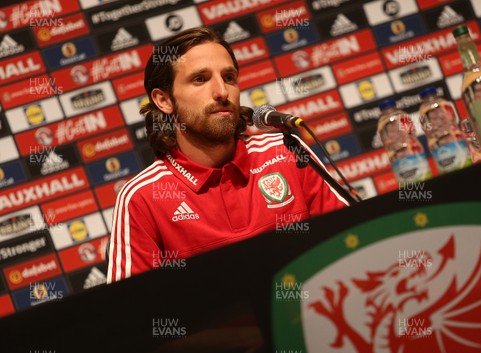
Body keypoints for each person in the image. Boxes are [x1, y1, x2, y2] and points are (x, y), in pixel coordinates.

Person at [107, 27, 349, 283]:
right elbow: (129, 313)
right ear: (164, 100)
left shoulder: (286, 151)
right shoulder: (142, 199)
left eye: (229, 77)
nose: (222, 91)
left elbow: (351, 245)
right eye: (200, 79)